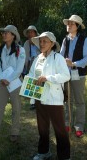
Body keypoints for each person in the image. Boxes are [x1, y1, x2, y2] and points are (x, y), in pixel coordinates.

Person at [28, 32, 71, 160]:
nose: (41, 44)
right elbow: (31, 74)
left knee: (60, 130)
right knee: (42, 127)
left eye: (45, 41)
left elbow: (66, 76)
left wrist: (47, 78)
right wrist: (29, 84)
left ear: (52, 44)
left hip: (54, 99)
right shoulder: (37, 58)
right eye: (40, 41)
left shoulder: (58, 58)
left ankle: (64, 156)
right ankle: (44, 151)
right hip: (39, 97)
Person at [0, 25, 25, 143]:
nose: (3, 34)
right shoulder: (0, 49)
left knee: (16, 108)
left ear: (13, 35)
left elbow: (19, 69)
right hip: (3, 82)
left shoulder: (20, 50)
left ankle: (15, 132)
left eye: (6, 33)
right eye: (3, 33)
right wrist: (2, 78)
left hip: (15, 82)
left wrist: (8, 79)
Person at [60, 15, 87, 138]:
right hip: (66, 74)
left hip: (79, 74)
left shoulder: (85, 40)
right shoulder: (65, 40)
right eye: (68, 23)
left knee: (79, 101)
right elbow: (61, 55)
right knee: (67, 100)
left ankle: (79, 126)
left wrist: (73, 64)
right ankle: (67, 123)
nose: (69, 25)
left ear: (77, 26)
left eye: (72, 23)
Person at [23, 25, 40, 110]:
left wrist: (35, 43)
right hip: (29, 64)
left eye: (32, 32)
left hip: (40, 63)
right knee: (31, 83)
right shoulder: (26, 43)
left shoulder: (40, 41)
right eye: (29, 32)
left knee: (39, 83)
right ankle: (32, 103)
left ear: (35, 33)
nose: (30, 34)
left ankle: (39, 101)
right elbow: (24, 56)